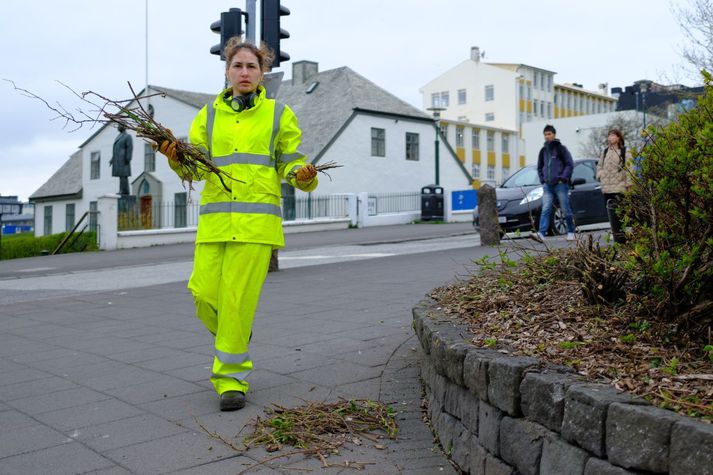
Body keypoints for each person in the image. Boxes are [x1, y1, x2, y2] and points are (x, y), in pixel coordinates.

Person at [158, 37, 318, 411]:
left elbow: (291, 163)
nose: (244, 72)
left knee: (233, 302)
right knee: (202, 294)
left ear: (262, 73)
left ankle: (231, 380)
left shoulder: (279, 114)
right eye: (238, 66)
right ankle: (237, 332)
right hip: (214, 224)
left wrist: (305, 175)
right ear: (227, 71)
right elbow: (194, 168)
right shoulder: (208, 115)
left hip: (256, 227)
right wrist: (174, 157)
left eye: (252, 66)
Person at [536, 124, 575, 241]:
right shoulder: (543, 151)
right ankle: (541, 233)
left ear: (554, 135)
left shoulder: (561, 148)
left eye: (549, 134)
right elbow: (539, 167)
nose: (547, 136)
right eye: (545, 134)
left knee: (565, 208)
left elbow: (569, 164)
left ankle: (571, 231)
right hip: (548, 185)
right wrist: (543, 180)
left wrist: (563, 178)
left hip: (560, 185)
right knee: (546, 208)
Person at [596, 128, 631, 244]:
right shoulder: (605, 151)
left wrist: (629, 184)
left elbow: (629, 168)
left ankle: (622, 234)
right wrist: (600, 175)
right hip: (607, 187)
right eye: (609, 135)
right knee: (610, 211)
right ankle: (615, 232)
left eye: (613, 135)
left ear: (618, 137)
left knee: (620, 211)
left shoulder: (624, 151)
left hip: (619, 186)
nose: (610, 137)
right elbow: (599, 166)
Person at [110, 125, 133, 195]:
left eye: (119, 126)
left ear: (123, 126)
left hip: (124, 159)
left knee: (123, 176)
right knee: (121, 176)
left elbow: (130, 148)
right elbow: (116, 150)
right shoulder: (119, 136)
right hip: (118, 159)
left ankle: (124, 191)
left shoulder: (127, 136)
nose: (118, 127)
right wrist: (112, 159)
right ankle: (122, 190)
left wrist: (128, 158)